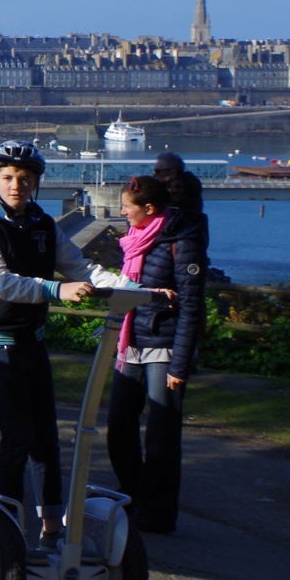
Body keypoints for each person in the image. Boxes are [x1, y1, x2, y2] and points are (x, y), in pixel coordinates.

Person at [0, 141, 140, 548]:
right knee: (17, 435)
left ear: (37, 183)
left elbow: (82, 268)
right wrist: (55, 290)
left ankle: (51, 528)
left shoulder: (43, 222)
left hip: (31, 338)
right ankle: (6, 526)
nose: (16, 185)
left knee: (46, 437)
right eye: (7, 177)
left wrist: (135, 288)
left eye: (25, 179)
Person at [106, 175, 206, 534]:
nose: (122, 213)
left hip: (163, 346)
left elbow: (192, 306)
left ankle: (160, 512)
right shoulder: (135, 241)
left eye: (127, 208)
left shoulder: (182, 242)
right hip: (131, 343)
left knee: (161, 435)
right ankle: (133, 493)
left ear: (149, 209)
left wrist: (179, 365)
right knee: (118, 426)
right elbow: (128, 287)